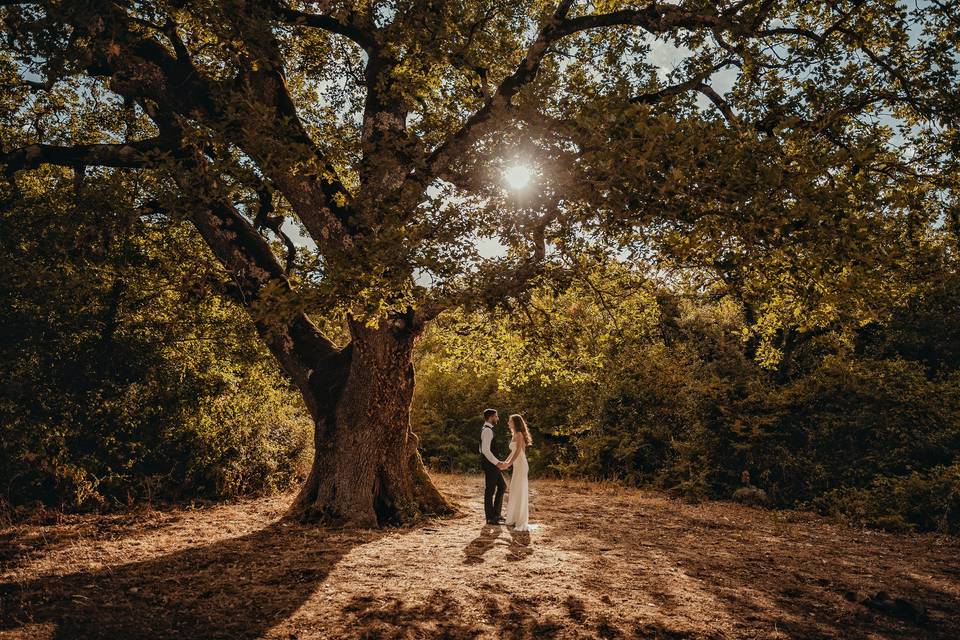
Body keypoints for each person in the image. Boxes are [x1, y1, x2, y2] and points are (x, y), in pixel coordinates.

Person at [499, 414, 531, 531]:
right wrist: (505, 462)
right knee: (515, 489)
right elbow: (513, 452)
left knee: (519, 490)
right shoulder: (515, 434)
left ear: (515, 423)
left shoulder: (518, 434)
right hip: (517, 464)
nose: (508, 423)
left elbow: (518, 451)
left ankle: (520, 520)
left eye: (510, 421)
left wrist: (509, 464)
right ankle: (514, 517)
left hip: (521, 464)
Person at [479, 408, 506, 524]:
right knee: (490, 490)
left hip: (491, 464)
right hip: (491, 465)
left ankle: (496, 514)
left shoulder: (486, 429)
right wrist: (497, 462)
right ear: (490, 417)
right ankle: (490, 517)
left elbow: (480, 448)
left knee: (502, 486)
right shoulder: (487, 431)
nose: (497, 418)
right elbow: (485, 450)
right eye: (496, 416)